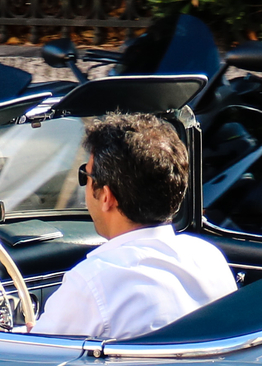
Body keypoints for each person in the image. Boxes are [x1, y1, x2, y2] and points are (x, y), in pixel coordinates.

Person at [32, 113, 235, 340]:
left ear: (107, 196)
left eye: (85, 175)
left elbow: (31, 361)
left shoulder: (91, 283)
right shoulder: (209, 257)